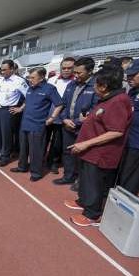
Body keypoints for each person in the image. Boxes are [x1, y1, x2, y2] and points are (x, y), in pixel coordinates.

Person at [64, 66, 132, 227]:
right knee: (87, 180)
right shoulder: (108, 99)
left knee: (95, 183)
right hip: (90, 152)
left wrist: (86, 143)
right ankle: (84, 202)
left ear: (104, 86)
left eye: (95, 84)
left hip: (100, 153)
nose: (93, 87)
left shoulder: (118, 101)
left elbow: (116, 131)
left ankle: (92, 215)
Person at [10, 67, 63, 182]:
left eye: (33, 77)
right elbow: (27, 100)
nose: (30, 79)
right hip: (25, 123)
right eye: (29, 77)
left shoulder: (50, 89)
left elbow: (59, 104)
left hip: (37, 125)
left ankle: (36, 172)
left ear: (42, 77)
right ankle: (22, 166)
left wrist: (52, 118)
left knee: (36, 150)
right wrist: (20, 109)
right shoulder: (30, 88)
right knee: (23, 148)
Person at [53, 57, 98, 190]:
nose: (76, 75)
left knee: (82, 154)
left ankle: (80, 180)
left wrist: (77, 122)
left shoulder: (96, 85)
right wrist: (64, 119)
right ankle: (68, 176)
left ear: (90, 71)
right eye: (75, 72)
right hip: (67, 125)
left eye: (79, 73)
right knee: (67, 152)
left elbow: (95, 109)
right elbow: (63, 104)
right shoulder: (71, 84)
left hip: (84, 128)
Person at [0, 60, 29, 167]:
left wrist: (20, 109)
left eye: (5, 70)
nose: (2, 72)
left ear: (12, 69)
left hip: (8, 111)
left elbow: (28, 96)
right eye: (1, 69)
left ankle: (5, 156)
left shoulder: (19, 81)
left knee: (6, 134)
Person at [46, 57, 75, 174]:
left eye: (69, 68)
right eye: (64, 68)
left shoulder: (75, 82)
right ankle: (39, 159)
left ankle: (53, 162)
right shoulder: (52, 80)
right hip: (48, 115)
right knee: (44, 139)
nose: (66, 70)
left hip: (63, 117)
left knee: (57, 142)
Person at [117, 59, 139, 195]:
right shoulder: (132, 92)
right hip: (127, 139)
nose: (129, 78)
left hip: (137, 144)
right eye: (128, 75)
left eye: (133, 74)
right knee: (123, 174)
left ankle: (122, 207)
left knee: (130, 179)